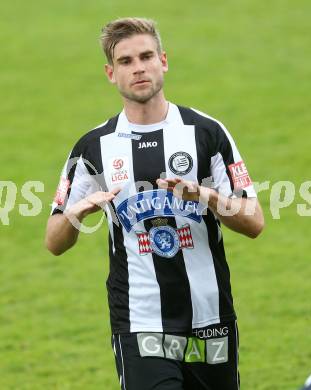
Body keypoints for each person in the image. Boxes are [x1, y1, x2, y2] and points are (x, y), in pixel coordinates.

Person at [45, 17, 264, 390]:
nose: (139, 67)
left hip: (210, 317)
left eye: (146, 56)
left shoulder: (207, 132)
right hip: (139, 321)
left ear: (163, 60)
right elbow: (54, 240)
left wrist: (206, 196)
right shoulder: (93, 147)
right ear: (110, 73)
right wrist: (76, 213)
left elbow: (254, 221)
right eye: (126, 61)